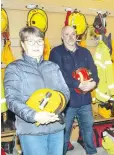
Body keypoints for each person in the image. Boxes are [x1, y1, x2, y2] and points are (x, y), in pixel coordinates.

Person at [4, 26, 70, 155]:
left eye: (39, 41)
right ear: (23, 45)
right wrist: (35, 115)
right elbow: (12, 100)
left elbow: (64, 92)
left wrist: (55, 110)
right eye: (30, 41)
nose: (36, 45)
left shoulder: (52, 66)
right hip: (31, 130)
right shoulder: (14, 68)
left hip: (56, 127)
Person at [49, 26, 99, 155]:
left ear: (76, 36)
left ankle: (91, 152)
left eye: (73, 34)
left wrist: (93, 83)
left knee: (88, 131)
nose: (70, 37)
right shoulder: (55, 52)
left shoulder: (85, 52)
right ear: (62, 36)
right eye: (67, 34)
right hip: (67, 102)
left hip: (85, 100)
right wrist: (78, 84)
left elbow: (93, 70)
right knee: (64, 134)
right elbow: (59, 74)